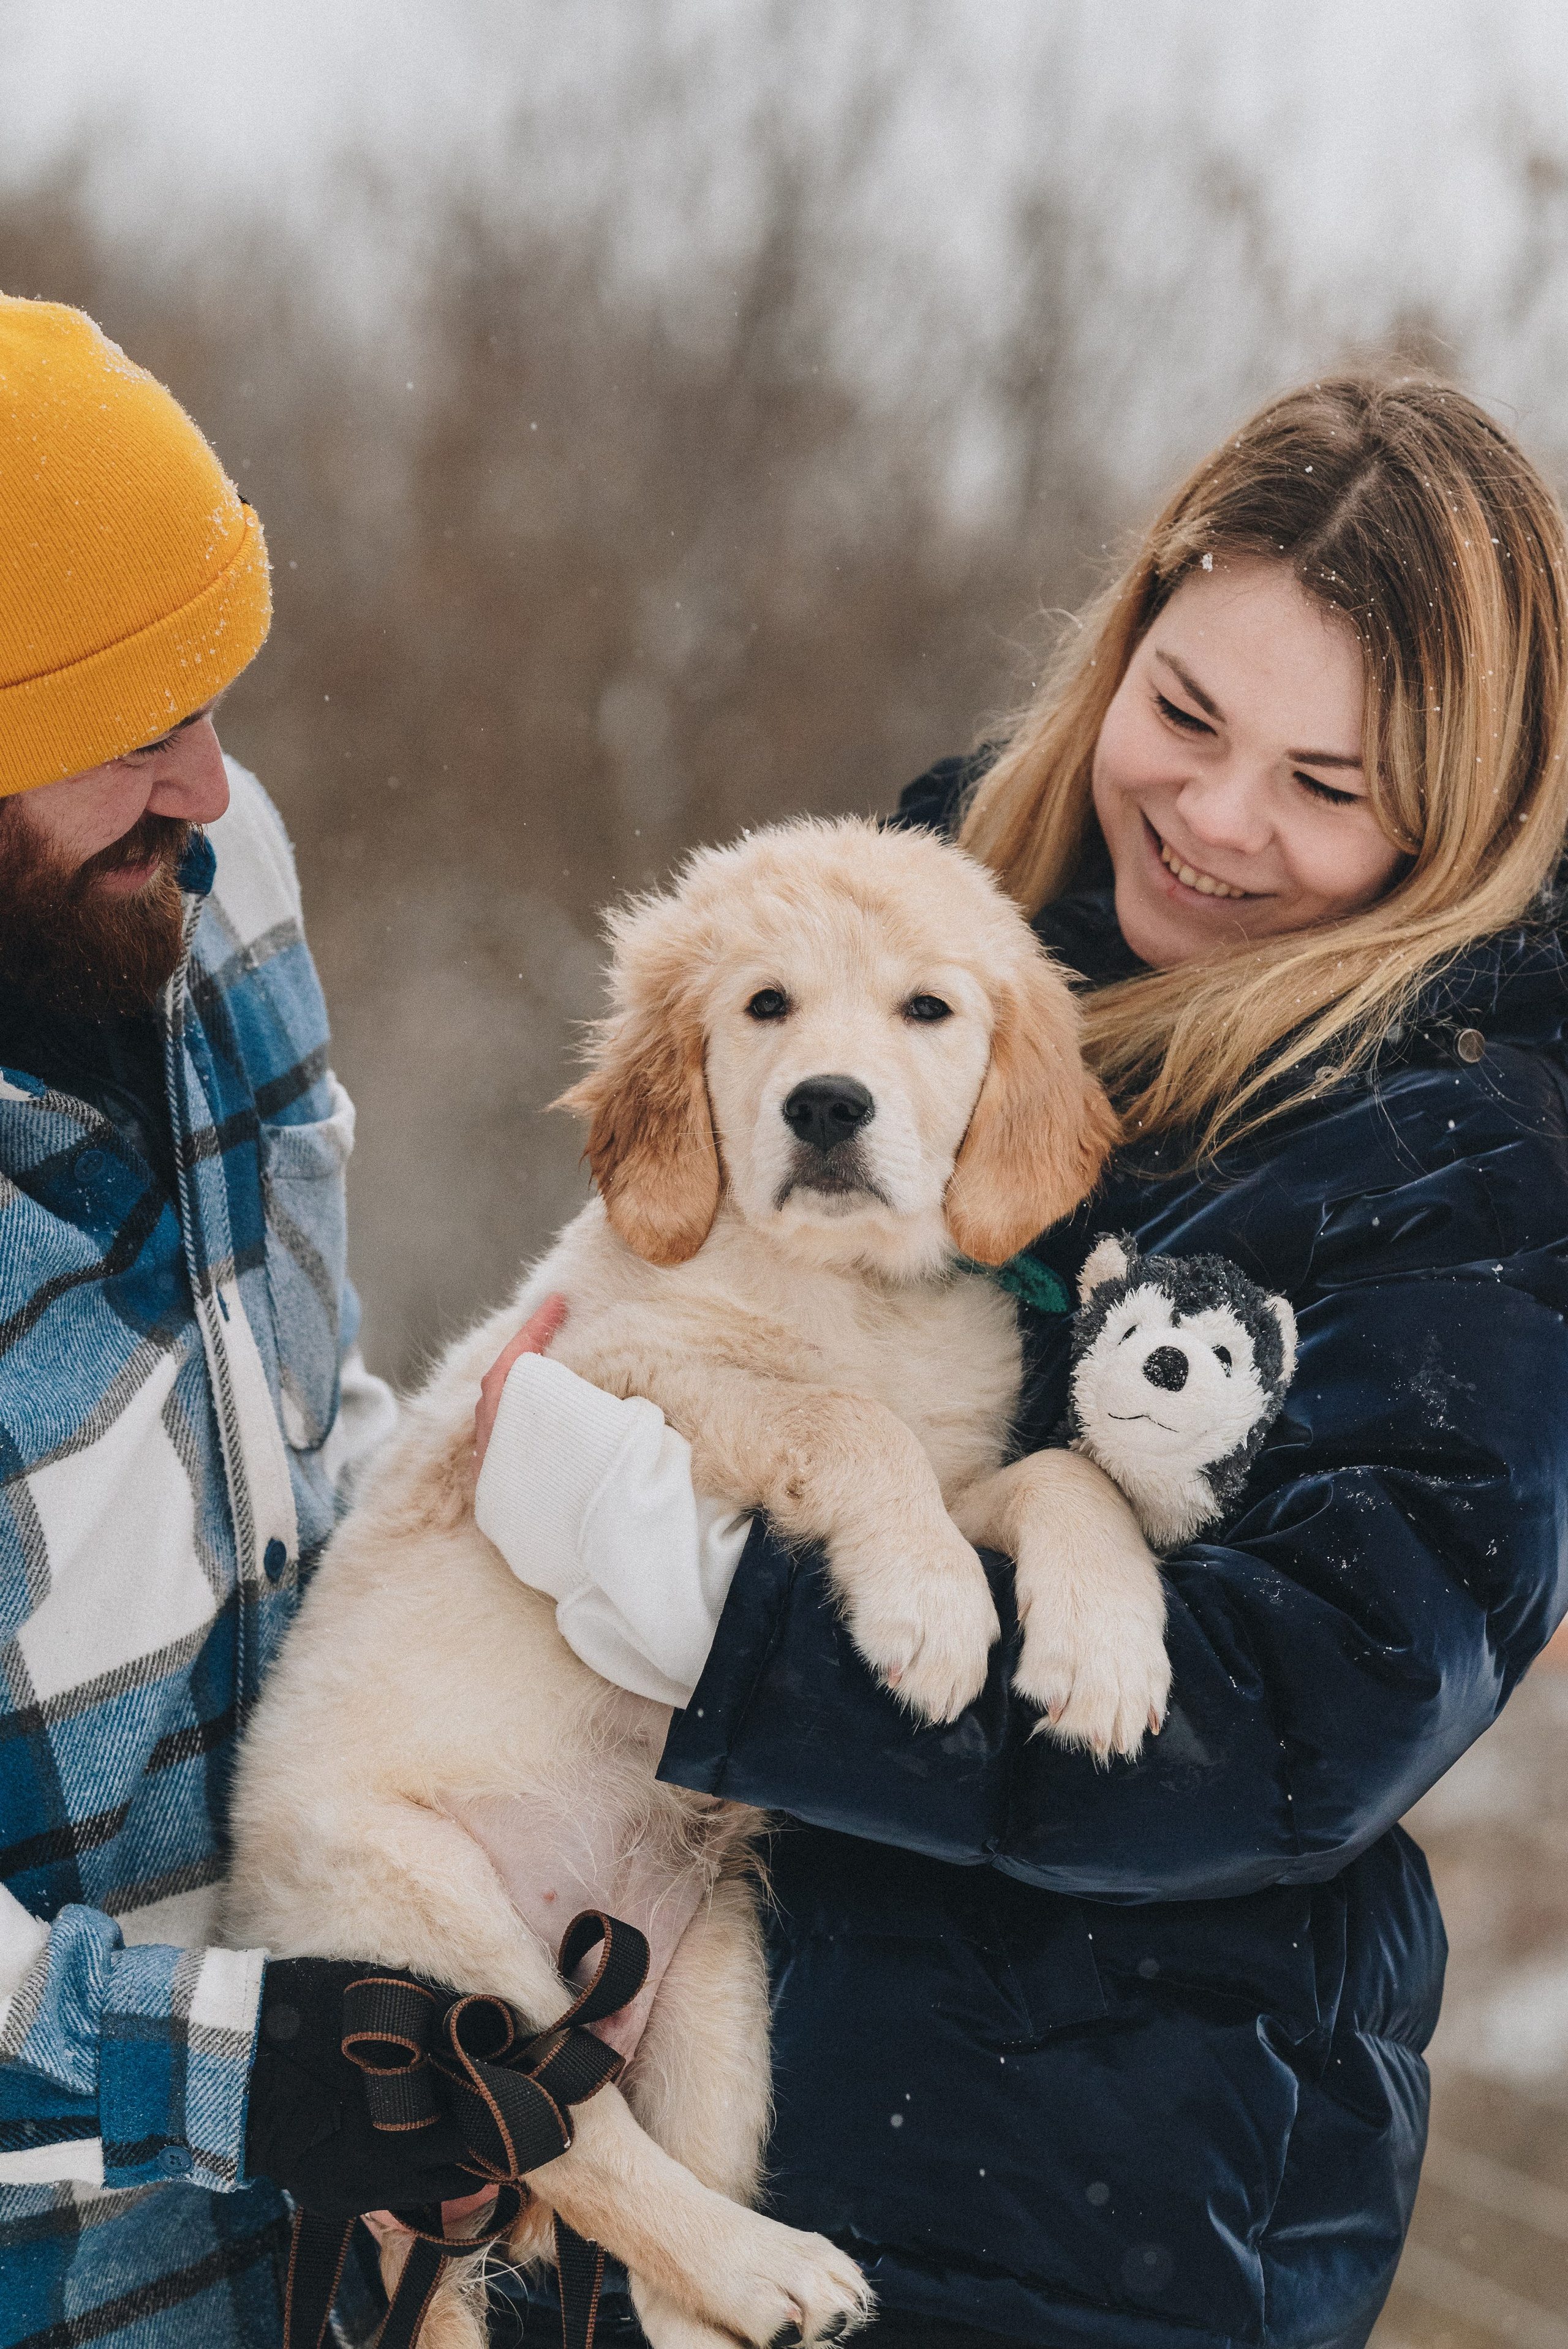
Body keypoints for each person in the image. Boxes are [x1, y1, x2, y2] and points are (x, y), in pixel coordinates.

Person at [472, 374, 1568, 2349]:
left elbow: (1317, 1703)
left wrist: (740, 1625)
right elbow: (647, 1285)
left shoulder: (1470, 1156)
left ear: (1468, 813)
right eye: (1188, 712)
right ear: (1123, 642)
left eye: (1332, 788)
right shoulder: (916, 927)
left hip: (1090, 2197)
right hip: (675, 2106)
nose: (1220, 821)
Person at [0, 298, 490, 2349]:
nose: (215, 779)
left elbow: (295, 1419)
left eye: (218, 696)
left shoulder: (201, 872)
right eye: (137, 726)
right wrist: (253, 2055)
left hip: (311, 2283)